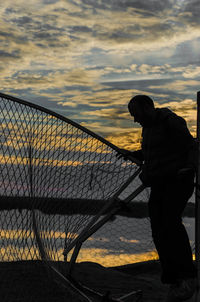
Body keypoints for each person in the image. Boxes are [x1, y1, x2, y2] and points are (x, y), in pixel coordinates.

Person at [118, 95, 197, 301]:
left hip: (178, 181)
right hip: (160, 182)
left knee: (170, 223)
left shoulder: (172, 121)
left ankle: (187, 276)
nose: (135, 119)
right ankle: (173, 280)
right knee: (158, 228)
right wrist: (134, 153)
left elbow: (191, 147)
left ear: (148, 107)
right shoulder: (148, 128)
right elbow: (152, 153)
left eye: (136, 114)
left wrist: (188, 168)